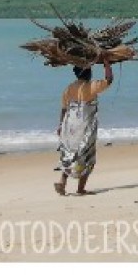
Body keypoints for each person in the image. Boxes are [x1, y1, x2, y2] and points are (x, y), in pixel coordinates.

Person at [54, 56, 113, 196]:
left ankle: (62, 182)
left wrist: (60, 125)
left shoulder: (69, 88)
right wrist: (106, 63)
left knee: (69, 153)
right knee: (87, 155)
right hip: (85, 126)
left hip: (70, 126)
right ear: (88, 74)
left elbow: (64, 108)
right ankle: (80, 188)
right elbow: (109, 80)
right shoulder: (91, 86)